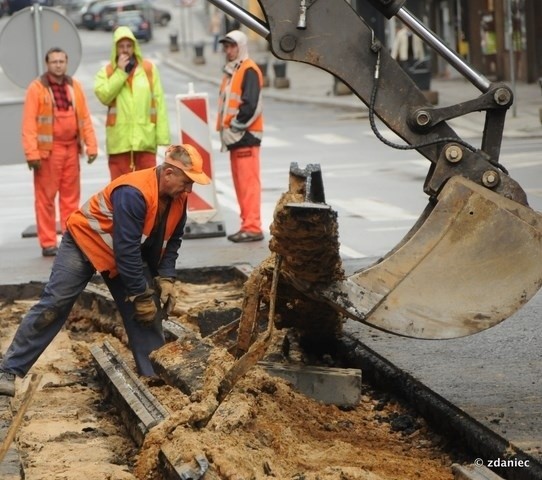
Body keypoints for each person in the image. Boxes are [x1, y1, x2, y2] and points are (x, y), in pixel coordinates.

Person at [0, 144, 211, 397]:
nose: (189, 189)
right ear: (168, 174)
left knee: (148, 311)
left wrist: (166, 277)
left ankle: (154, 377)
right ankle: (9, 370)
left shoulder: (179, 199)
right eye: (187, 182)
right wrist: (139, 294)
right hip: (85, 244)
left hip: (123, 253)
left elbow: (172, 239)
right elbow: (126, 250)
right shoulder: (133, 192)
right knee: (55, 304)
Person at [22, 47, 98, 257]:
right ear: (47, 64)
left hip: (71, 149)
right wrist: (32, 154)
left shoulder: (75, 87)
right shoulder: (36, 89)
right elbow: (29, 124)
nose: (58, 65)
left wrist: (91, 145)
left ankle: (69, 239)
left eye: (61, 61)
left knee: (70, 199)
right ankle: (47, 243)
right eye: (54, 61)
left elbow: (84, 119)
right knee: (45, 199)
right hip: (48, 152)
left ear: (66, 63)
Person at [94, 26, 170, 181]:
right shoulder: (107, 72)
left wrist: (163, 138)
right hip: (119, 143)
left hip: (145, 141)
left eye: (129, 46)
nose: (125, 50)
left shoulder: (148, 69)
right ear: (115, 49)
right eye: (121, 46)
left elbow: (159, 103)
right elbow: (104, 96)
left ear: (135, 47)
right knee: (120, 190)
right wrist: (120, 73)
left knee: (148, 189)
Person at [216, 30, 265, 243]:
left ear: (241, 46)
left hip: (245, 136)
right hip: (237, 137)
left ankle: (253, 226)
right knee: (241, 185)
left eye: (232, 46)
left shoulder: (248, 69)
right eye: (226, 47)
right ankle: (247, 224)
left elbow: (251, 104)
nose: (228, 50)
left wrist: (237, 126)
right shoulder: (233, 71)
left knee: (248, 185)